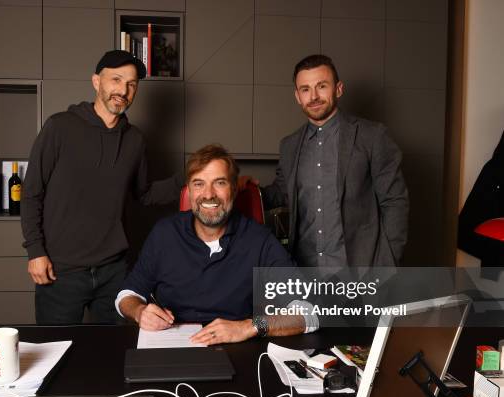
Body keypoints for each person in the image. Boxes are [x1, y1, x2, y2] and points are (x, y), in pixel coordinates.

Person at [21, 50, 183, 325]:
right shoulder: (59, 127)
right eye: (116, 79)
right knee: (57, 349)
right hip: (61, 270)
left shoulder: (134, 140)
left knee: (113, 353)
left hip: (114, 271)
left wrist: (190, 177)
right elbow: (32, 192)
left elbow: (144, 195)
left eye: (131, 84)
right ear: (97, 81)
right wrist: (36, 251)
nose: (123, 90)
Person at [116, 145, 318, 345]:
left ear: (234, 188)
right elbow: (127, 295)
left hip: (237, 350)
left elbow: (310, 312)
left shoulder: (260, 240)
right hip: (173, 345)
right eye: (198, 184)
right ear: (189, 190)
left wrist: (248, 327)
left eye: (219, 183)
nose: (208, 194)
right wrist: (139, 311)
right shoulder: (164, 233)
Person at [261, 54, 409, 267]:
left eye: (321, 86)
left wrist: (385, 267)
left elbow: (395, 202)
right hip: (305, 273)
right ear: (297, 96)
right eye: (305, 89)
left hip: (360, 274)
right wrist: (242, 188)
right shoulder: (289, 145)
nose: (313, 96)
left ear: (338, 89)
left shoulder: (373, 136)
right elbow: (283, 193)